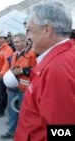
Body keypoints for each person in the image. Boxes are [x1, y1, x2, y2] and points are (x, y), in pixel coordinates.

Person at [15, 1, 75, 140]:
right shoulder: (62, 58)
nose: (27, 37)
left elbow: (62, 132)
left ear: (47, 30)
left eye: (29, 30)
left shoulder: (58, 68)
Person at [0, 33, 36, 139]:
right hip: (13, 87)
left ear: (25, 42)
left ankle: (24, 134)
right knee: (12, 111)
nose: (15, 44)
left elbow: (36, 70)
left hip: (25, 89)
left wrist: (20, 71)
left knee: (24, 113)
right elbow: (12, 69)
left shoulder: (32, 54)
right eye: (14, 42)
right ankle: (11, 131)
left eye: (17, 42)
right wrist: (8, 84)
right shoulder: (15, 54)